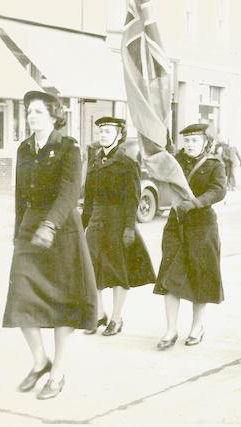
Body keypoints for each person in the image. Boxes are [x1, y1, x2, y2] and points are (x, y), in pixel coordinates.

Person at [2, 91, 97, 400]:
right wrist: (20, 231)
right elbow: (20, 194)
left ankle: (58, 372)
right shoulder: (24, 149)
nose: (32, 116)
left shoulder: (68, 148)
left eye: (39, 112)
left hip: (61, 230)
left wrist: (50, 224)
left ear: (55, 116)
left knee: (62, 303)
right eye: (29, 111)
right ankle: (41, 360)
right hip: (31, 226)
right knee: (20, 297)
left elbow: (70, 192)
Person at [154, 123, 226, 350]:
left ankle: (197, 327)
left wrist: (195, 203)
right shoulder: (175, 162)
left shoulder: (215, 164)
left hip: (202, 225)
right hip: (176, 224)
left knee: (200, 277)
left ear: (205, 142)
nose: (190, 145)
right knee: (169, 276)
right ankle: (171, 329)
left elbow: (218, 190)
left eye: (195, 140)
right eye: (187, 140)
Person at [82, 117, 155, 336]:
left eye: (107, 131)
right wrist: (82, 224)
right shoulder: (95, 161)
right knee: (91, 269)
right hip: (96, 220)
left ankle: (116, 318)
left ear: (118, 135)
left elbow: (132, 199)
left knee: (117, 270)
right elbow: (88, 198)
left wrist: (129, 228)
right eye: (101, 131)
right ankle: (99, 314)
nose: (102, 135)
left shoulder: (127, 162)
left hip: (117, 222)